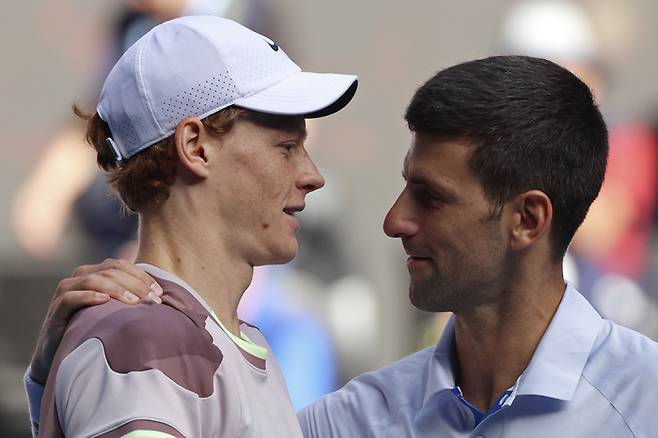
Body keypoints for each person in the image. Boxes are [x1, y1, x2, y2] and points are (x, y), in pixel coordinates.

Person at [27, 56, 658, 437]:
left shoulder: (646, 400)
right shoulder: (354, 420)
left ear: (528, 220)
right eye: (283, 146)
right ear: (193, 149)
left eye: (430, 198)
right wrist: (56, 384)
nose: (393, 221)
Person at [25, 15, 357, 438]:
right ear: (195, 147)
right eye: (287, 147)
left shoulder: (193, 335)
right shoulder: (147, 339)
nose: (313, 175)